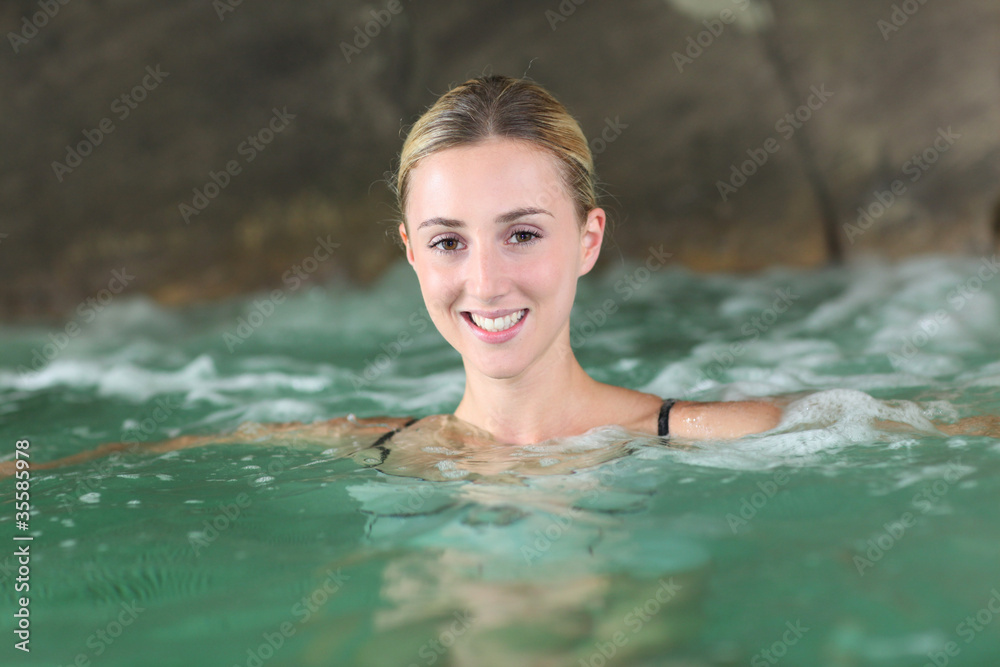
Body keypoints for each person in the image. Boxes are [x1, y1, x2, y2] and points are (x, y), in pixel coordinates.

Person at [6, 75, 790, 481]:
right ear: (412, 253)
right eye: (449, 242)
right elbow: (127, 458)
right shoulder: (379, 447)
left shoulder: (702, 436)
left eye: (521, 233)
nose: (484, 281)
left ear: (588, 240)